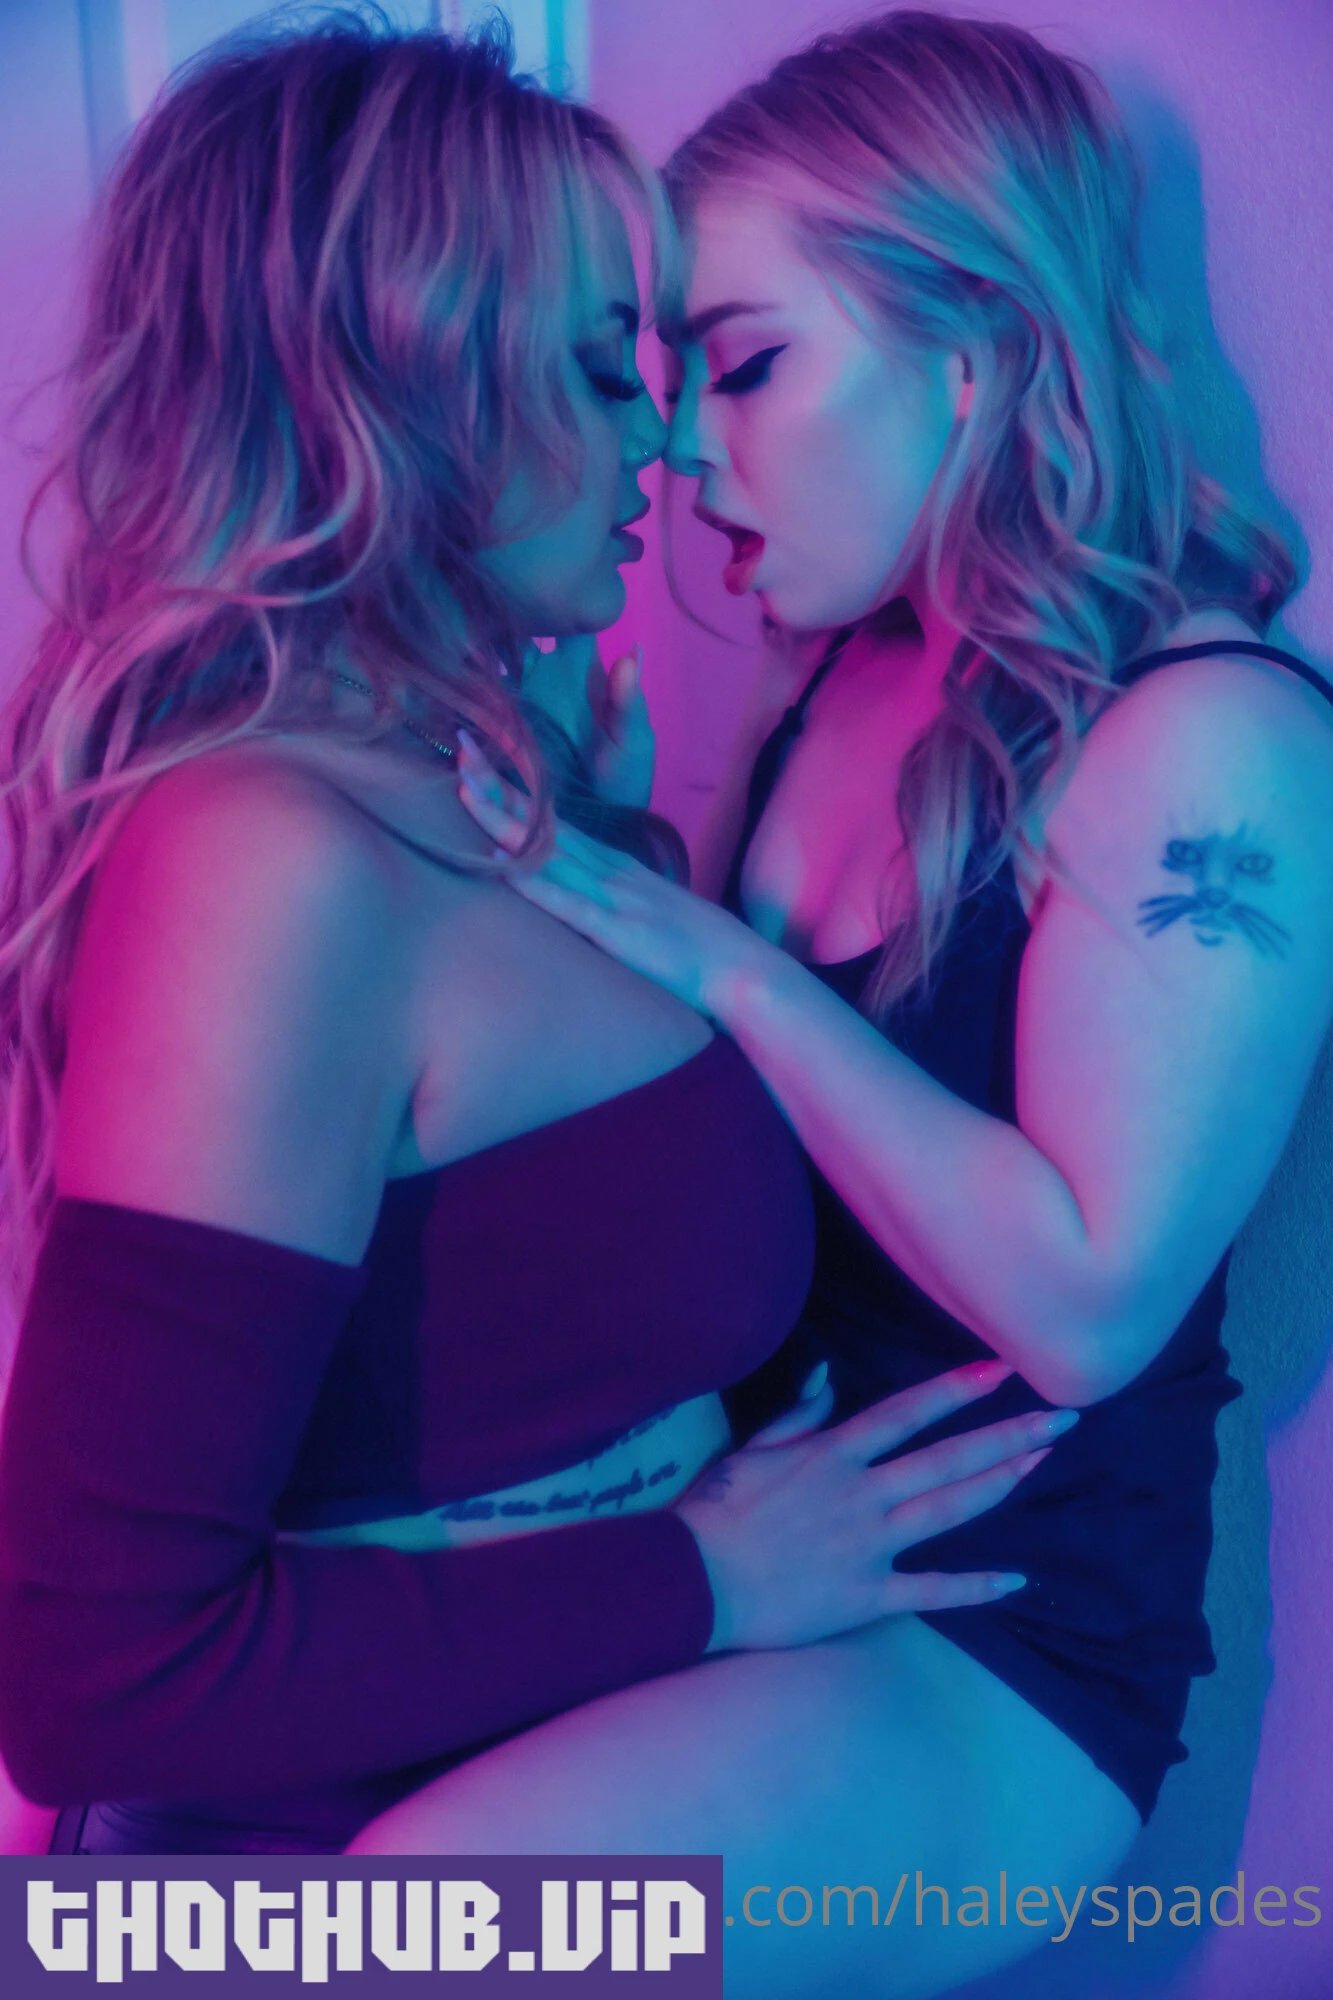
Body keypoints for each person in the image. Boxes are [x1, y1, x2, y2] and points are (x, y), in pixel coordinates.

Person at [0, 17, 1058, 1861]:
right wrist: (705, 1577)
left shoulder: (481, 784)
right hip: (332, 1874)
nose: (659, 435)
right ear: (390, 388)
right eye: (594, 368)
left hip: (621, 1754)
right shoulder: (264, 857)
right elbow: (93, 1677)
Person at [355, 12, 1333, 1999]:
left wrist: (708, 947)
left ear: (974, 347)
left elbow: (1088, 1303)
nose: (675, 447)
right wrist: (597, 838)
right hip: (744, 1521)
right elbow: (714, 1132)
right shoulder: (833, 678)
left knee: (408, 1920)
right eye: (663, 381)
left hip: (989, 1629)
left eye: (745, 364)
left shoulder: (1209, 737)